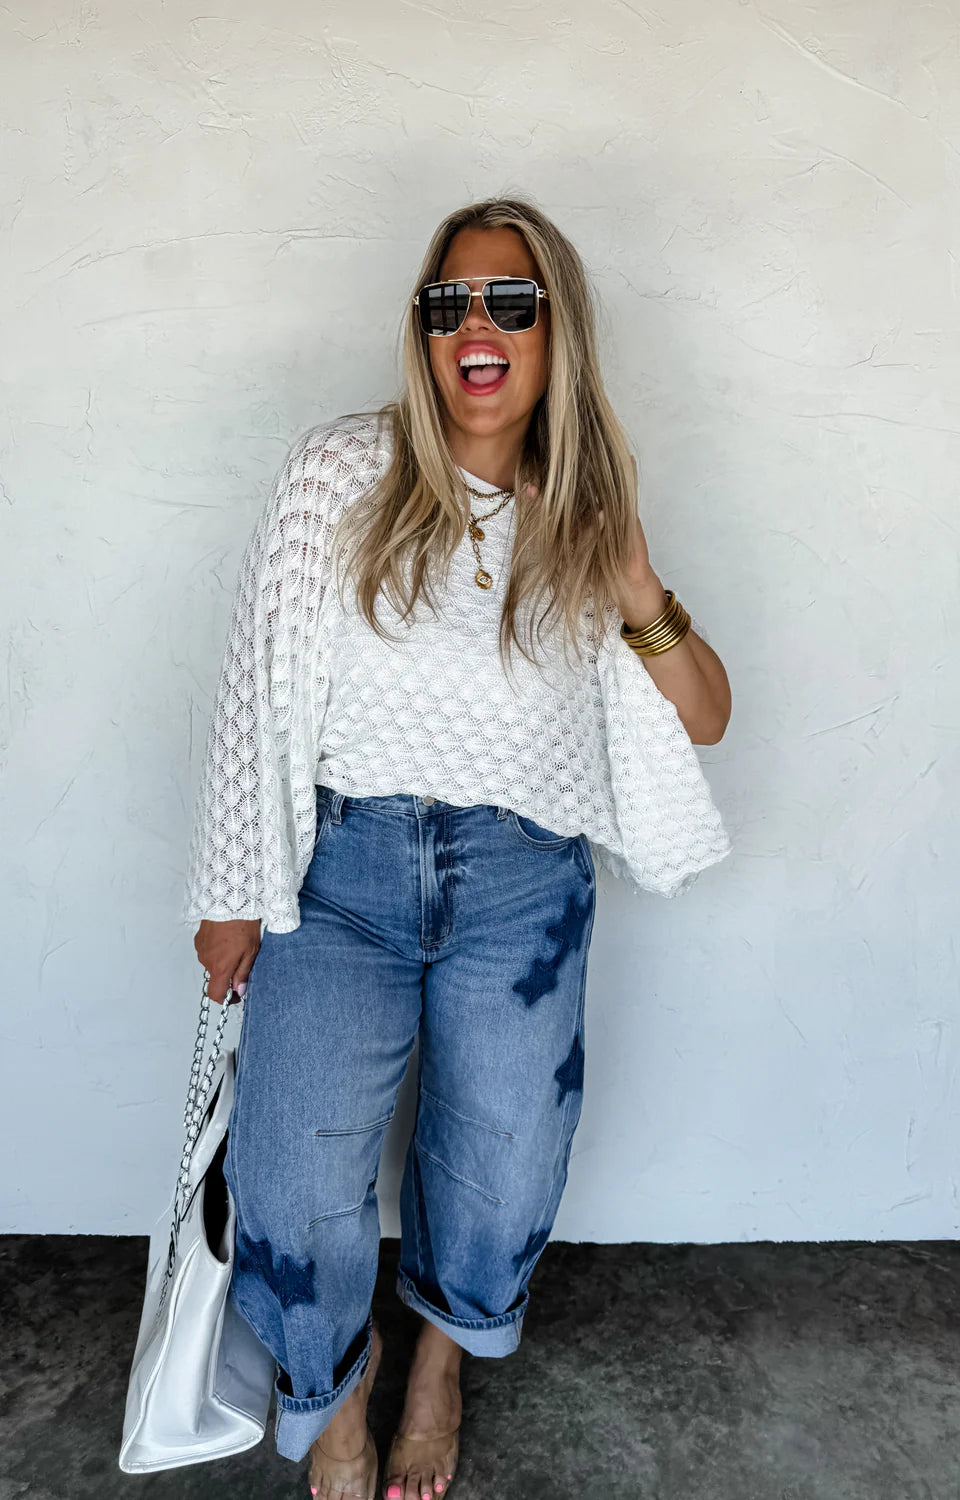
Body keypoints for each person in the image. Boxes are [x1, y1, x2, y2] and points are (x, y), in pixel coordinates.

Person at [183, 195, 733, 1500]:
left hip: (522, 893)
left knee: (500, 1167)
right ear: (424, 331)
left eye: (510, 300)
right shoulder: (339, 473)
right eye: (450, 302)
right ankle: (335, 1386)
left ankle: (438, 1359)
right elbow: (256, 685)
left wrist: (634, 584)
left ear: (556, 331)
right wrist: (233, 887)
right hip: (341, 880)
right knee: (291, 1174)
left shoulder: (586, 511)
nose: (475, 324)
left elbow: (705, 714)